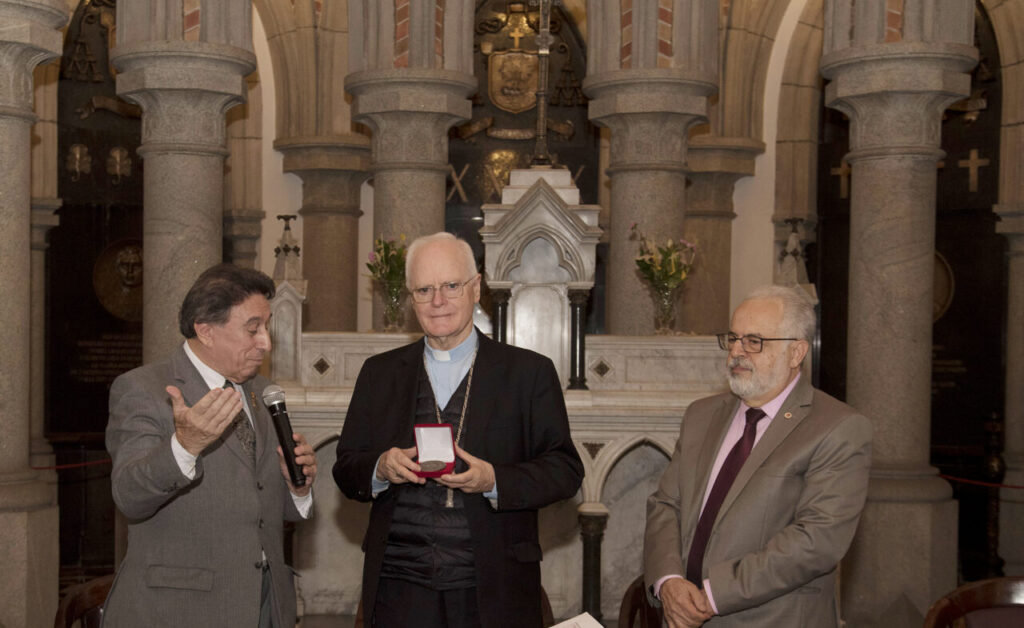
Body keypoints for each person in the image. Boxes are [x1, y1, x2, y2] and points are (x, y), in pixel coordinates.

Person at [334, 232, 583, 628]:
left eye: (451, 285)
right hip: (400, 586)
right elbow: (346, 467)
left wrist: (495, 479)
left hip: (492, 587)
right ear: (410, 297)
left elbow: (565, 471)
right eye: (424, 289)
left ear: (476, 288)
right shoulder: (379, 374)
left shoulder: (528, 373)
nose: (438, 300)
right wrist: (379, 467)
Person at [644, 285, 872, 627]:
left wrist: (713, 593)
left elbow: (816, 540)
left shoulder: (838, 428)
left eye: (754, 341)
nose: (736, 352)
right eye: (732, 338)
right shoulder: (701, 415)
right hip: (680, 616)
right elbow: (665, 505)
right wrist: (669, 582)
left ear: (796, 353)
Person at [103, 263, 318, 627]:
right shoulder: (143, 389)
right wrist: (184, 447)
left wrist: (298, 487)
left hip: (267, 602)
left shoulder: (262, 392)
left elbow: (261, 501)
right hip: (182, 609)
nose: (265, 342)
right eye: (253, 329)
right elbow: (129, 496)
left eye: (266, 327)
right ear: (206, 330)